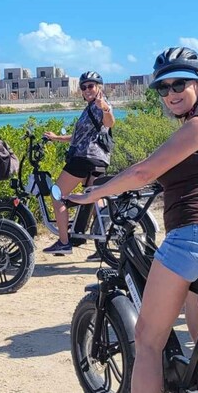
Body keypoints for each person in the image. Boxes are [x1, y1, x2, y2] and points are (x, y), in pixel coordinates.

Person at [69, 48, 198, 392]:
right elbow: (165, 173)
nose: (171, 94)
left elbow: (145, 170)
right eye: (163, 88)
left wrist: (93, 194)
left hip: (195, 238)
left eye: (179, 84)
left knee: (147, 340)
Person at [42, 70, 114, 257]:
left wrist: (104, 108)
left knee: (57, 194)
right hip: (100, 159)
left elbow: (110, 122)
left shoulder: (101, 105)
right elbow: (78, 137)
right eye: (84, 87)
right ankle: (103, 243)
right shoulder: (90, 108)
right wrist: (56, 138)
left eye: (91, 86)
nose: (87, 89)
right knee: (94, 198)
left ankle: (64, 242)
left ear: (99, 87)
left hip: (84, 158)